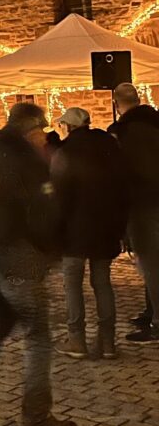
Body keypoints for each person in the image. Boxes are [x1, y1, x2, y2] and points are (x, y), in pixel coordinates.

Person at [0, 103, 75, 426]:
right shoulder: (27, 162)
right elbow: (42, 215)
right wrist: (51, 249)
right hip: (15, 258)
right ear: (28, 130)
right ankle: (37, 416)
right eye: (40, 131)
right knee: (38, 335)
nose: (43, 137)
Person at [50, 108, 128, 360]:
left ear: (69, 126)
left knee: (72, 285)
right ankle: (108, 342)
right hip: (106, 227)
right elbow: (122, 188)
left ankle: (77, 340)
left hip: (75, 231)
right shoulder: (109, 146)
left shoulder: (65, 152)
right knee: (102, 283)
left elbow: (59, 196)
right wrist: (120, 226)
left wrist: (55, 230)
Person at [108, 83, 159, 343]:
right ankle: (152, 314)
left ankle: (157, 323)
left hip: (145, 206)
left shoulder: (127, 132)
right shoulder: (154, 123)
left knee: (152, 267)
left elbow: (127, 175)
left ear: (117, 104)